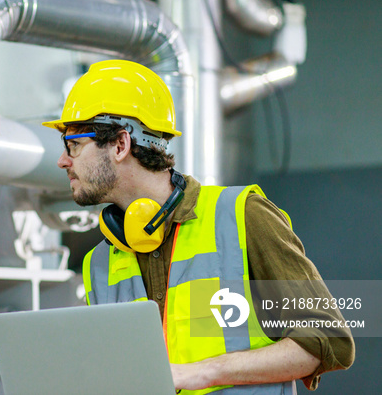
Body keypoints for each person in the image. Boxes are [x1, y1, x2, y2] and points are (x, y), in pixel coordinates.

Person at [42, 60, 354, 393]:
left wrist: (200, 373)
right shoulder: (99, 264)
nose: (63, 160)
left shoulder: (241, 216)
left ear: (121, 145)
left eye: (73, 145)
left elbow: (327, 339)